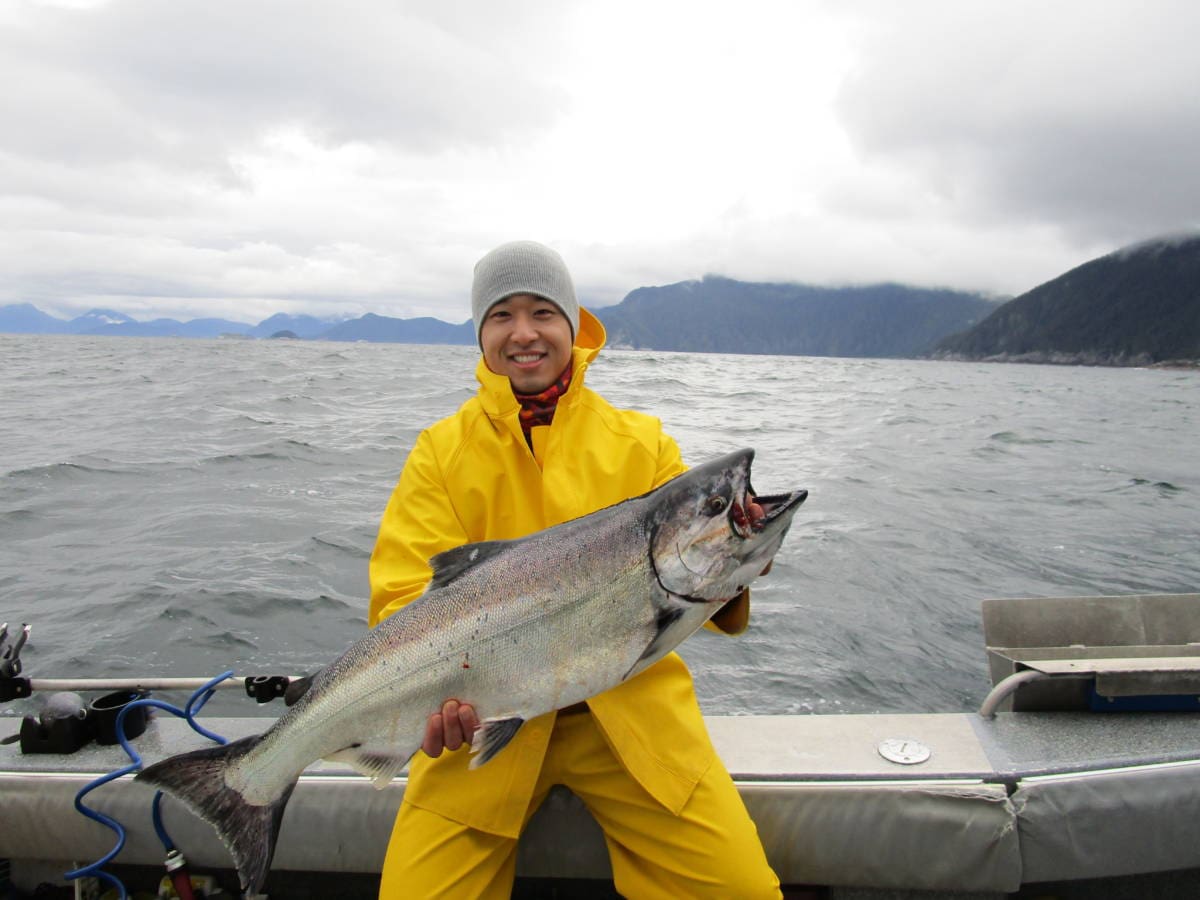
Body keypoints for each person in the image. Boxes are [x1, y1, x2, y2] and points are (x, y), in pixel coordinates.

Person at [368, 240, 781, 898]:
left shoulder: (642, 443)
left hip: (632, 719)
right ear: (481, 333)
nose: (524, 333)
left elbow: (693, 574)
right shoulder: (440, 454)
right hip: (480, 726)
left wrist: (739, 561)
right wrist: (432, 695)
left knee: (742, 891)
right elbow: (403, 596)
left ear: (572, 324)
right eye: (502, 315)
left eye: (542, 312)